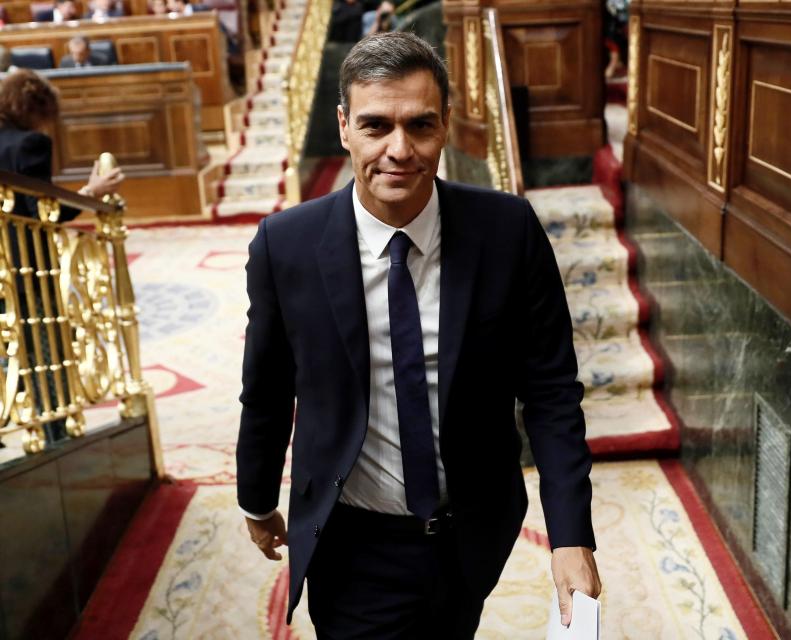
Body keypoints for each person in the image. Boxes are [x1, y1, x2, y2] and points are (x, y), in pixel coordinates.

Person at [236, 32, 601, 638]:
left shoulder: (507, 231)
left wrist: (570, 536)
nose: (399, 150)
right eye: (377, 126)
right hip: (351, 541)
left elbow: (552, 391)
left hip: (474, 534)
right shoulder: (286, 245)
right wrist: (256, 497)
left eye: (420, 126)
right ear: (344, 126)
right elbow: (268, 388)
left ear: (447, 125)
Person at [0, 70, 123, 443]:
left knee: (9, 344)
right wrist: (91, 191)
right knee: (44, 343)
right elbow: (44, 211)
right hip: (27, 265)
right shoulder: (31, 143)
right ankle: (56, 429)